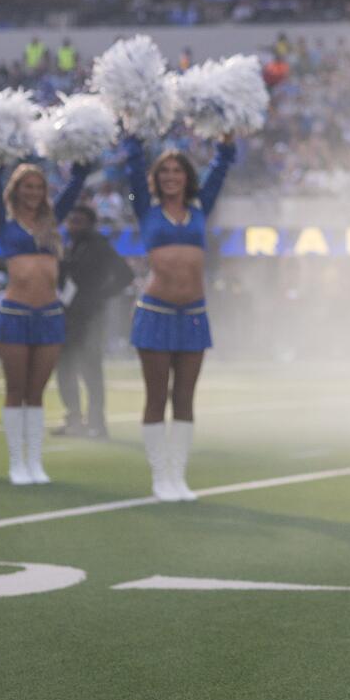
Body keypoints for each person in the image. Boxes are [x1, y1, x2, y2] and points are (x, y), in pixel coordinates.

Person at [123, 132, 237, 501]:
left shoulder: (201, 207)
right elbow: (133, 167)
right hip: (155, 312)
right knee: (156, 396)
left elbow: (220, 169)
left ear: (188, 177)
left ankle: (178, 475)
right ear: (156, 179)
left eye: (178, 171)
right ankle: (160, 476)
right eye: (165, 171)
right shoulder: (146, 209)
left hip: (193, 314)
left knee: (185, 397)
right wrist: (134, 138)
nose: (171, 176)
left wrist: (226, 143)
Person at [0, 158, 90, 484]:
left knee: (37, 391)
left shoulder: (51, 221)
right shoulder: (4, 222)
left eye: (38, 187)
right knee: (15, 389)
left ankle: (34, 460)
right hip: (15, 314)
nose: (32, 192)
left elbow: (73, 191)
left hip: (48, 315)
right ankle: (17, 462)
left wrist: (81, 166)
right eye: (27, 186)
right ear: (15, 190)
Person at [56, 203, 135, 439]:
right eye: (71, 221)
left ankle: (97, 423)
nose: (72, 225)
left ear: (90, 224)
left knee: (90, 371)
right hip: (68, 316)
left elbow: (125, 274)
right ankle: (74, 419)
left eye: (78, 221)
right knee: (64, 369)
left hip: (90, 318)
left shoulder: (99, 246)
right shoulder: (71, 246)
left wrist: (100, 295)